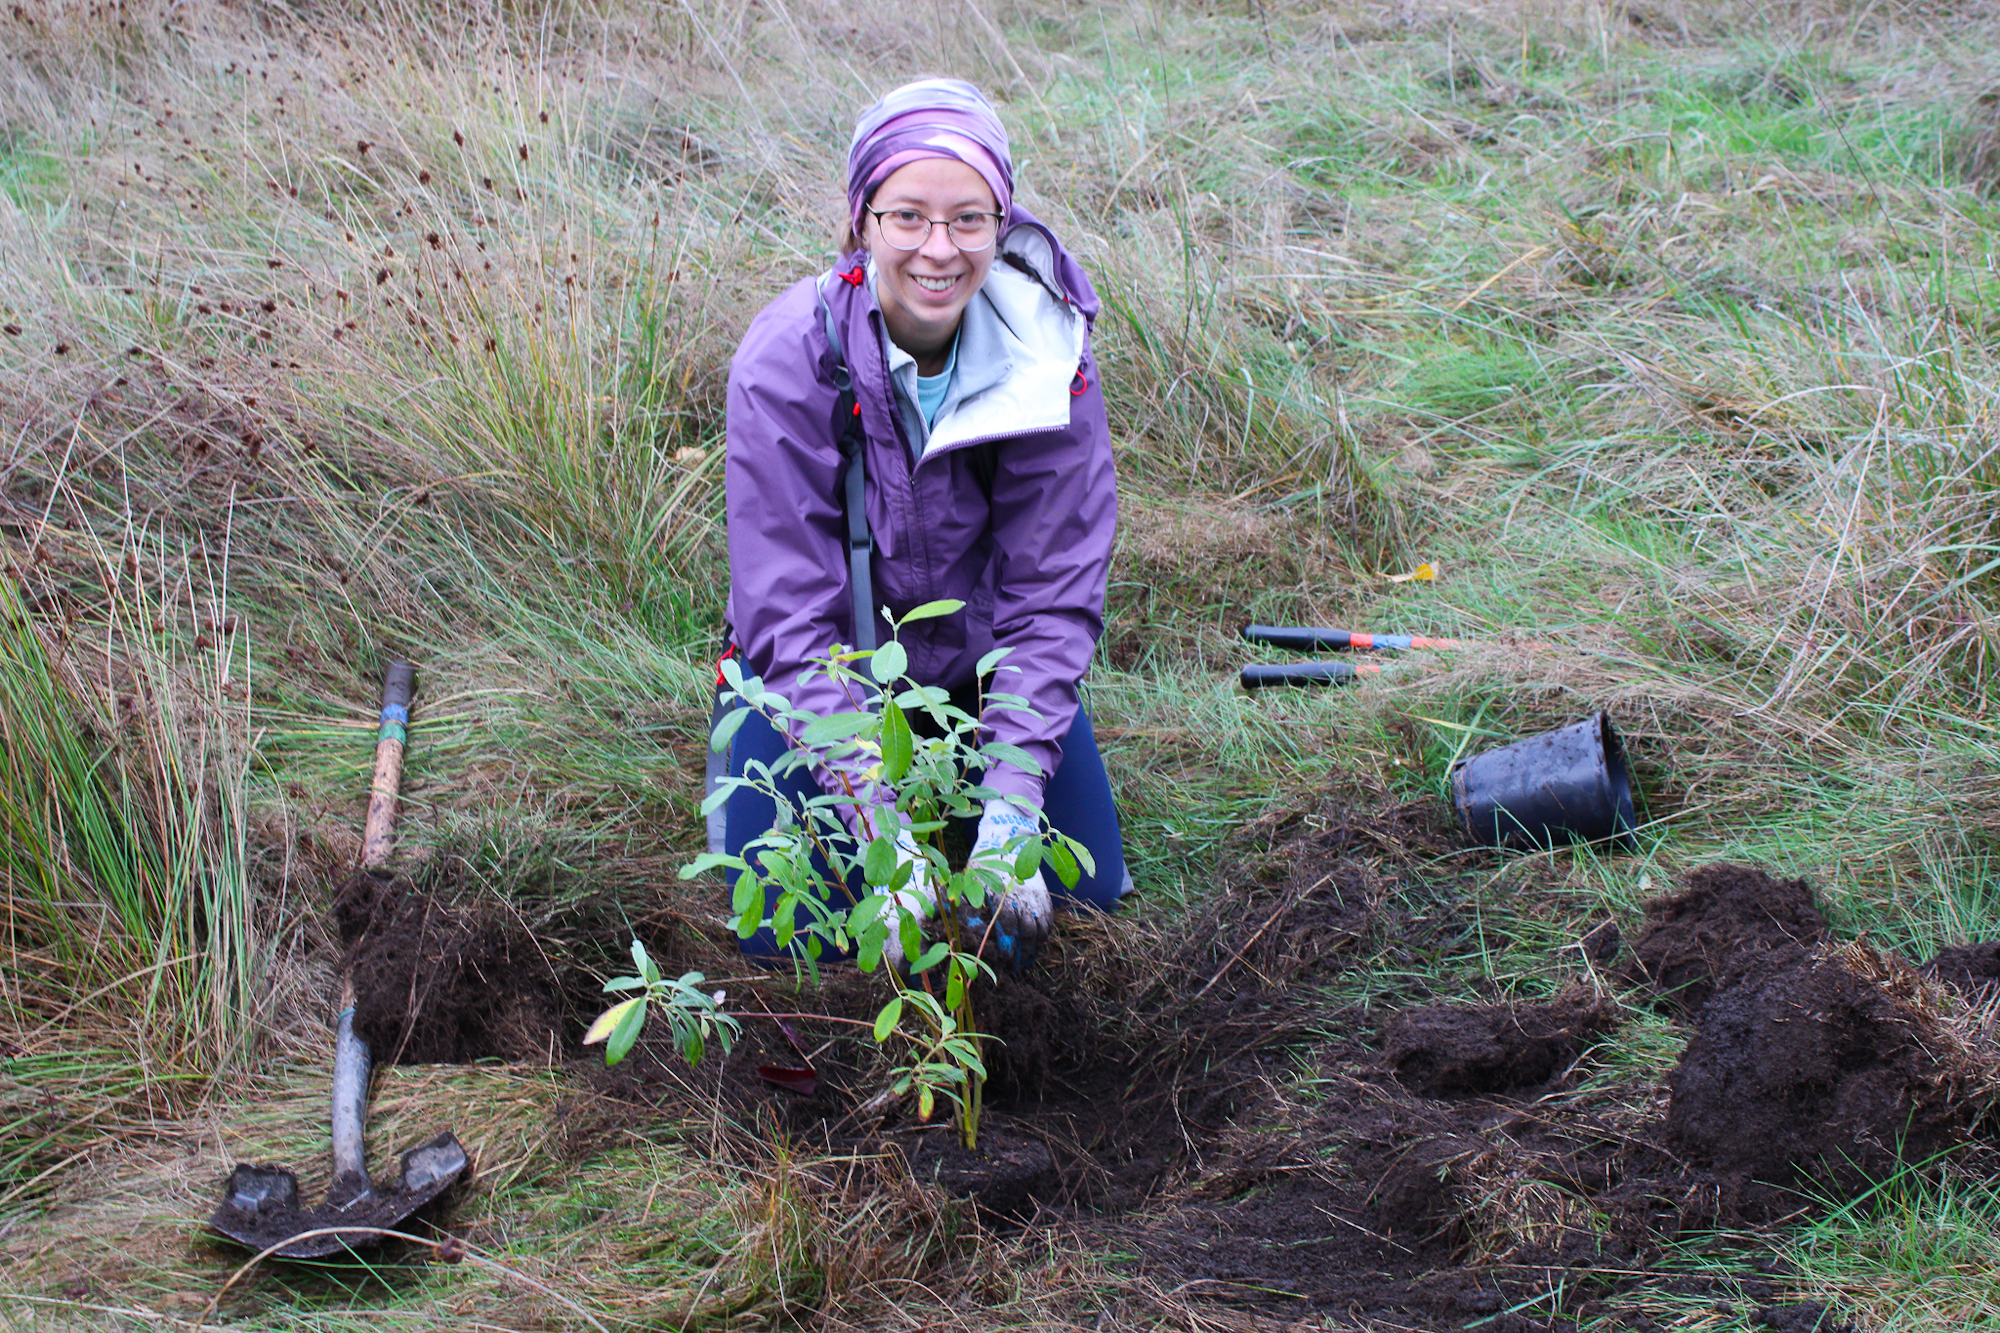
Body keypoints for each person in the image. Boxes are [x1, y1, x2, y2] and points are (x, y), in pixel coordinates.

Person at [711, 77, 1126, 969]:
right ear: (861, 219)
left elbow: (1051, 602)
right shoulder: (787, 362)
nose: (939, 250)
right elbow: (787, 622)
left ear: (1002, 223)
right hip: (825, 677)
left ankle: (989, 806)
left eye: (969, 220)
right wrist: (879, 824)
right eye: (908, 217)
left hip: (980, 676)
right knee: (794, 937)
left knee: (1080, 905)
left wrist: (1013, 810)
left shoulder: (1048, 359)